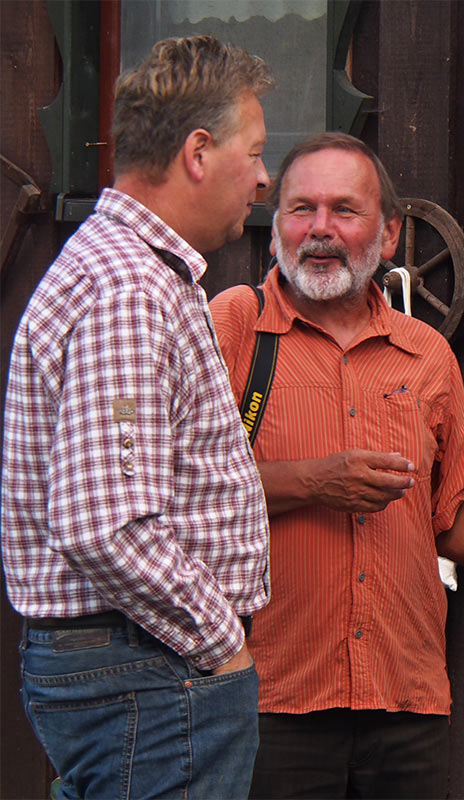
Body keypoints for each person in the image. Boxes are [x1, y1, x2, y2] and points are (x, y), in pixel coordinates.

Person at [208, 132, 464, 800]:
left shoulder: (426, 355)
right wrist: (316, 482)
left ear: (390, 234)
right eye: (300, 209)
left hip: (404, 699)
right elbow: (179, 493)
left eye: (344, 210)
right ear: (276, 223)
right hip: (266, 698)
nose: (319, 230)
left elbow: (451, 517)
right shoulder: (232, 328)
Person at [2, 36, 274, 799]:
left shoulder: (130, 268)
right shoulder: (130, 291)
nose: (262, 177)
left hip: (137, 668)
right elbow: (106, 525)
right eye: (253, 152)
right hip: (150, 674)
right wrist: (222, 644)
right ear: (197, 151)